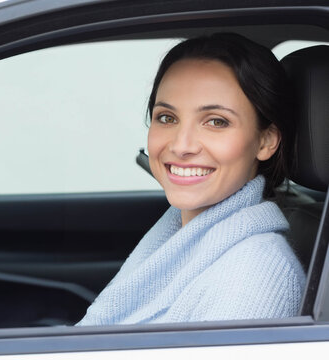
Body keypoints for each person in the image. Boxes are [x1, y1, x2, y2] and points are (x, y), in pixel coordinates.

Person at [77, 33, 305, 325]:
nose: (181, 145)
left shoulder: (254, 275)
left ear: (266, 141)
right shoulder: (177, 239)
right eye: (167, 118)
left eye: (216, 121)